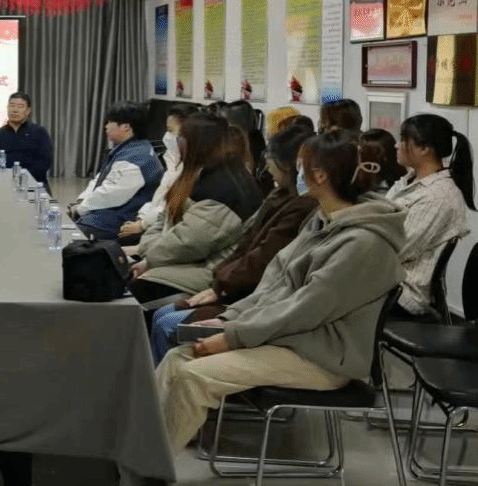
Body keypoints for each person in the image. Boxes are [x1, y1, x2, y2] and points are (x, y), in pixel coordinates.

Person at [155, 129, 405, 454]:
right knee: (176, 358)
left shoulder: (363, 243)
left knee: (193, 377)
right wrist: (230, 319)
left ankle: (151, 470)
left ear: (320, 175)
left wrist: (234, 336)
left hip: (322, 358)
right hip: (292, 339)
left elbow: (305, 308)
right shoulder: (322, 220)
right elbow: (276, 284)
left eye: (302, 166)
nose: (297, 173)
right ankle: (139, 450)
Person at [148, 121, 318, 362]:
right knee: (162, 314)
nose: (265, 162)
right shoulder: (279, 194)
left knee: (166, 321)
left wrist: (221, 288)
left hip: (247, 295)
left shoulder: (300, 207)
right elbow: (247, 244)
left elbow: (262, 259)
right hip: (232, 282)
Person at [127, 113, 262, 303]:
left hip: (210, 270)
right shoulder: (196, 174)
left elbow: (188, 242)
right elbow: (165, 216)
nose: (177, 143)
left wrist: (149, 259)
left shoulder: (226, 186)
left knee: (132, 288)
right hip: (180, 259)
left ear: (198, 143)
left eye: (181, 138)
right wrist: (147, 251)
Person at [385, 114, 474, 317]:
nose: (396, 145)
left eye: (403, 140)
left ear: (425, 148)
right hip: (384, 278)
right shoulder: (409, 181)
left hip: (401, 291)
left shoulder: (438, 196)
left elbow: (398, 249)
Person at [69, 102, 163, 240]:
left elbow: (109, 195)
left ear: (126, 127)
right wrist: (81, 201)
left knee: (66, 238)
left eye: (110, 122)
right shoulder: (131, 149)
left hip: (119, 220)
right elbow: (99, 179)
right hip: (108, 213)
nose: (106, 126)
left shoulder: (136, 159)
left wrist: (79, 209)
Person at [118, 105, 194, 245]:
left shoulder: (190, 169)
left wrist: (143, 224)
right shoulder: (172, 159)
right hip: (152, 221)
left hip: (164, 229)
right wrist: (141, 219)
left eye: (170, 131)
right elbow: (158, 199)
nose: (166, 136)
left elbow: (171, 207)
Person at [0, 91, 53, 186]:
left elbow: (44, 162)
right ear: (7, 108)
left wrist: (22, 178)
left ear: (28, 110)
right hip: (5, 184)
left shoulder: (39, 132)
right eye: (12, 106)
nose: (15, 110)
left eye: (20, 107)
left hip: (34, 183)